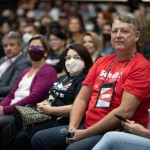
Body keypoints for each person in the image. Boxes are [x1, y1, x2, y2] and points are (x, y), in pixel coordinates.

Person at [31, 15, 150, 150]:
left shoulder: (141, 66)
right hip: (87, 126)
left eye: (124, 31)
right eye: (114, 31)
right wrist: (73, 128)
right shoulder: (101, 62)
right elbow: (81, 99)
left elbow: (125, 111)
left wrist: (84, 134)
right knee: (38, 139)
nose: (118, 35)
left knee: (72, 149)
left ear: (136, 36)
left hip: (115, 131)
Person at [0, 44, 93, 150]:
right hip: (46, 115)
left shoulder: (84, 80)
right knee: (8, 129)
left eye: (76, 57)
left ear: (85, 60)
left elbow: (79, 106)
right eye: (68, 58)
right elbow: (51, 97)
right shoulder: (62, 78)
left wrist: (51, 110)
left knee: (23, 137)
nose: (71, 61)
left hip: (62, 120)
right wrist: (44, 103)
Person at [0, 34, 56, 131]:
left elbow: (33, 98)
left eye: (38, 47)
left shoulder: (48, 71)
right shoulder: (26, 71)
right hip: (11, 108)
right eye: (31, 47)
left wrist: (5, 110)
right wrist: (1, 106)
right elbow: (11, 94)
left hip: (24, 111)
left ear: (46, 52)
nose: (34, 50)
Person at [0, 31, 31, 100]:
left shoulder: (24, 63)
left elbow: (12, 87)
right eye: (5, 45)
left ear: (20, 46)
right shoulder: (2, 59)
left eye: (12, 45)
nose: (8, 48)